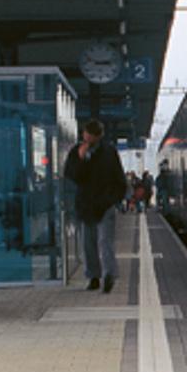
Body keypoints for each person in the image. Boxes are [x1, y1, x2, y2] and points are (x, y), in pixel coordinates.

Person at [63, 119, 127, 291]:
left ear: (99, 136)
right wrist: (81, 159)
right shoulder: (76, 152)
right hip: (86, 205)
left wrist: (114, 199)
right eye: (86, 134)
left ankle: (108, 275)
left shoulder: (109, 152)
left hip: (105, 204)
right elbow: (73, 176)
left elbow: (119, 178)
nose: (87, 137)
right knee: (88, 243)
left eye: (91, 135)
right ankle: (93, 276)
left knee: (105, 241)